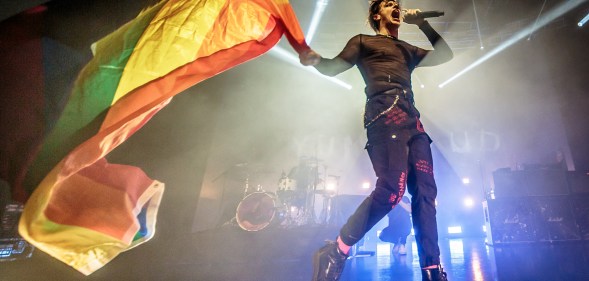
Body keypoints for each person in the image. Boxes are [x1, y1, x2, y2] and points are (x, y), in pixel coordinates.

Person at [299, 1, 453, 280]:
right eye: (389, 3)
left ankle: (432, 269)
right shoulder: (363, 41)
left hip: (413, 124)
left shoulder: (407, 48)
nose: (396, 5)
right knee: (392, 190)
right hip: (384, 118)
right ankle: (337, 249)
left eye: (398, 3)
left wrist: (423, 25)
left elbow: (444, 55)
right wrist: (316, 60)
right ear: (375, 14)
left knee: (426, 195)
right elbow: (333, 67)